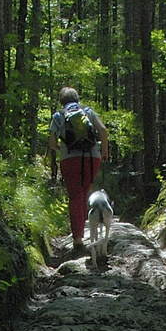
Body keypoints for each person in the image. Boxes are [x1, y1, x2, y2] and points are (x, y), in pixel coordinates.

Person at [48, 88, 110, 253]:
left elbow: (52, 143)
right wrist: (104, 151)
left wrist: (61, 148)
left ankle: (78, 238)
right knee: (83, 193)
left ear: (62, 101)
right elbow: (103, 131)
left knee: (75, 196)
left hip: (70, 159)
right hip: (92, 157)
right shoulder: (88, 112)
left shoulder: (58, 116)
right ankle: (84, 233)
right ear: (77, 98)